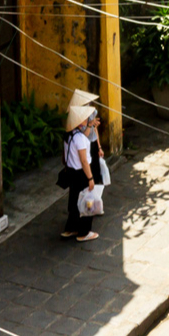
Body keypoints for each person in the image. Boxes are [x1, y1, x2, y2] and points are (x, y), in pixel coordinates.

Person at [59, 100, 102, 242]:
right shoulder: (81, 138)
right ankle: (84, 231)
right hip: (81, 174)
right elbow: (84, 161)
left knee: (73, 201)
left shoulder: (68, 135)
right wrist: (90, 178)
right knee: (88, 202)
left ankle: (71, 228)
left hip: (71, 172)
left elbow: (64, 157)